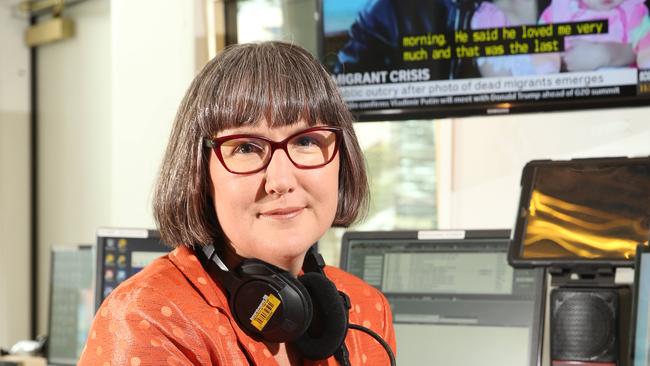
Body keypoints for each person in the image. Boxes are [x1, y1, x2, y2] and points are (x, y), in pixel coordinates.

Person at [78, 42, 396, 365]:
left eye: (306, 141)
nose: (281, 180)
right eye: (245, 148)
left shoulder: (367, 311)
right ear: (200, 172)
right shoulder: (147, 321)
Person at [535, 0, 650, 72]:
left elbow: (646, 40)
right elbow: (543, 40)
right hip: (574, 92)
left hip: (624, 91)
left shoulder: (633, 10)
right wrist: (548, 67)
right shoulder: (561, 9)